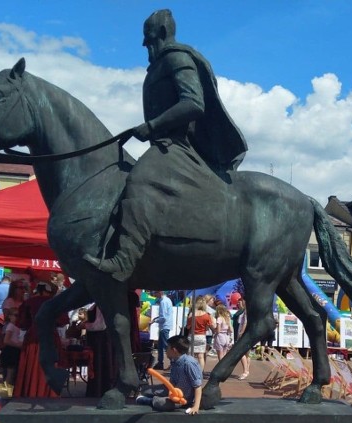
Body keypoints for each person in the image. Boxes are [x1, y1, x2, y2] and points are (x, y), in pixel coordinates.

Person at [84, 8, 247, 281]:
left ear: (160, 33)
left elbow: (194, 103)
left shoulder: (176, 58)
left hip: (177, 145)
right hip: (163, 142)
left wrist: (152, 126)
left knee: (140, 179)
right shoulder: (160, 64)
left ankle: (124, 260)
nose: (145, 45)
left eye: (148, 38)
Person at [136, 335, 202, 413]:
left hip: (183, 399)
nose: (165, 350)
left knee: (162, 403)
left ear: (174, 350)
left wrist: (196, 406)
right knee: (146, 390)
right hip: (172, 391)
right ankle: (145, 394)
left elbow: (197, 386)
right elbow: (171, 383)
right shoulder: (174, 361)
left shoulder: (188, 363)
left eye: (167, 348)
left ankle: (147, 400)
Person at [187, 296, 215, 370]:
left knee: (190, 355)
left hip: (192, 336)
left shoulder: (191, 314)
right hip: (201, 336)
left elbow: (188, 327)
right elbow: (210, 326)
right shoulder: (206, 315)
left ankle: (191, 370)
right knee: (201, 356)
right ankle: (200, 372)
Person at [0, 307, 24, 386]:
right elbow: (6, 340)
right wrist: (18, 345)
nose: (18, 318)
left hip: (15, 351)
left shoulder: (18, 327)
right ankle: (6, 393)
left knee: (12, 374)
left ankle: (9, 392)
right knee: (10, 374)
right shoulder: (11, 326)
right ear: (10, 316)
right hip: (11, 351)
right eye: (16, 315)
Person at [154, 290, 173, 369]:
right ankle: (160, 362)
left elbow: (163, 317)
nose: (154, 294)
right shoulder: (167, 300)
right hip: (165, 326)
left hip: (164, 326)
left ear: (160, 292)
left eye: (155, 292)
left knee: (166, 345)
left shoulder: (163, 302)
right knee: (161, 346)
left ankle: (173, 362)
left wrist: (155, 320)